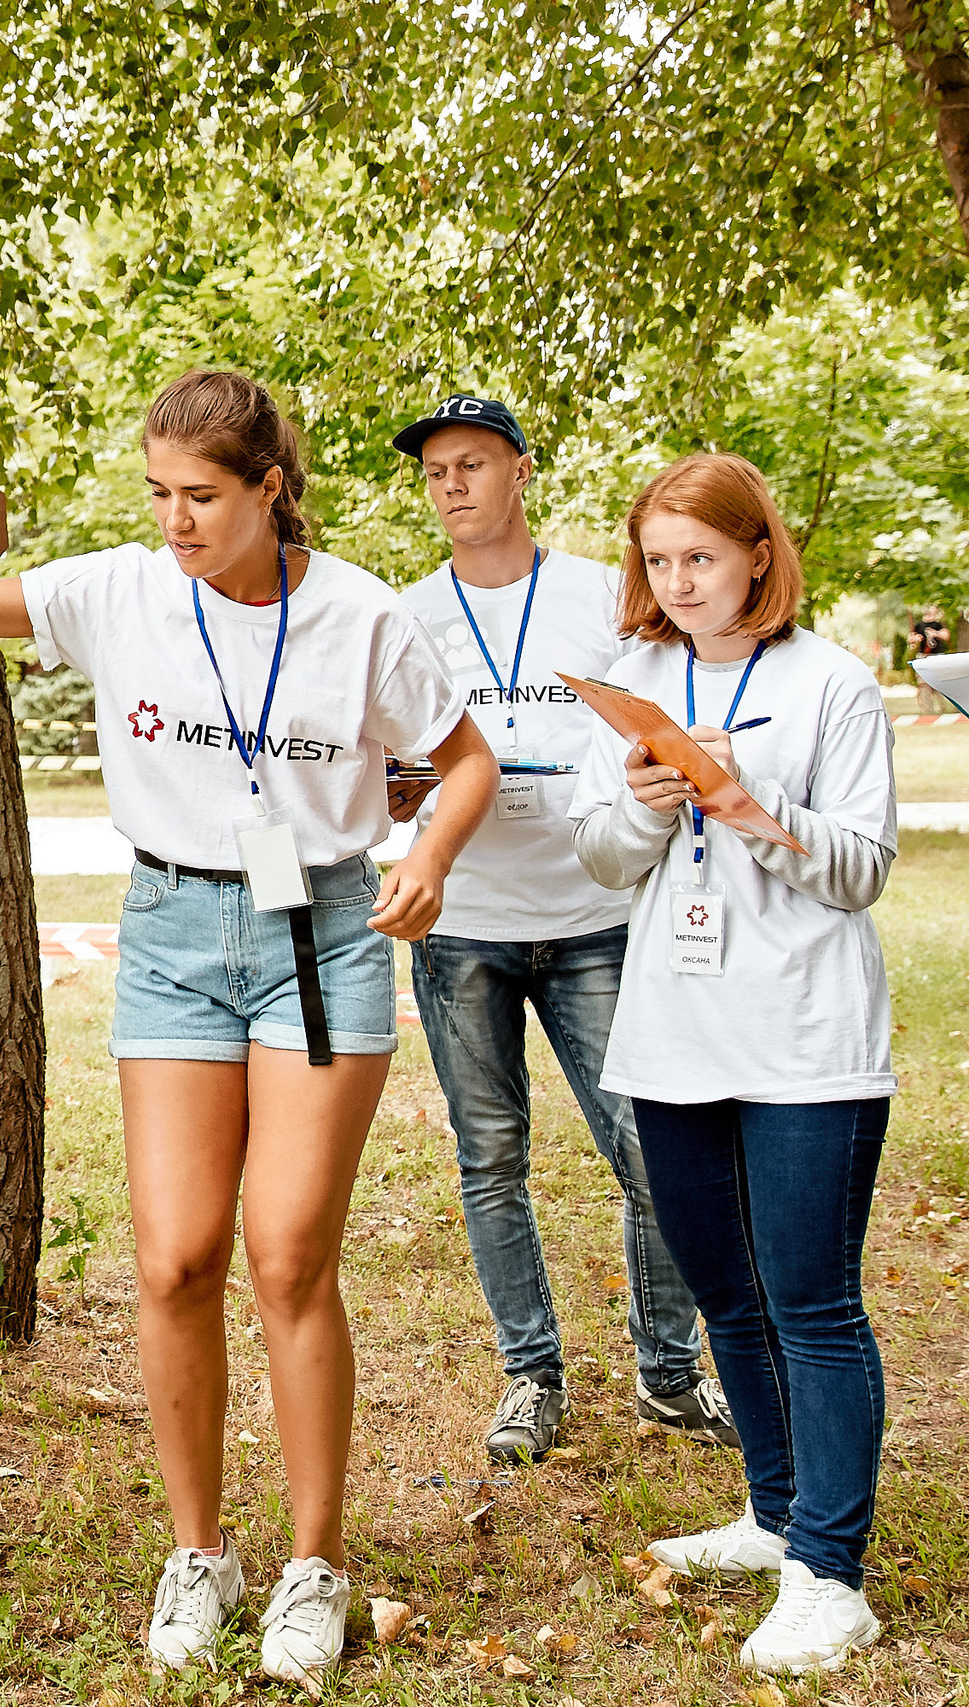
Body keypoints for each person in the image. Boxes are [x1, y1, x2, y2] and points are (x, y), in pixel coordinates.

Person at [0, 369, 498, 1685]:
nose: (176, 521)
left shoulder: (359, 616)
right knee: (177, 1257)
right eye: (158, 494)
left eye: (201, 496)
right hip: (178, 936)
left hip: (321, 933)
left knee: (290, 1250)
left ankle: (316, 1561)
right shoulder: (124, 590)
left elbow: (466, 758)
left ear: (268, 488)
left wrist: (431, 850)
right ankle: (200, 1551)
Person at [571, 452, 896, 1675]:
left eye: (699, 558)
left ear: (758, 551)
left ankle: (830, 1572)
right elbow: (603, 860)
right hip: (674, 1037)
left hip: (806, 1040)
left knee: (811, 1301)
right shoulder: (639, 678)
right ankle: (773, 1513)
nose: (678, 581)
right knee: (725, 1292)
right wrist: (653, 800)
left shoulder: (832, 685)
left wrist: (754, 807)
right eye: (657, 562)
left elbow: (861, 866)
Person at [388, 395, 727, 1462]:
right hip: (464, 922)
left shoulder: (600, 598)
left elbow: (658, 723)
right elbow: (384, 763)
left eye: (472, 463)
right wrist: (396, 794)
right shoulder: (404, 616)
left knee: (648, 1151)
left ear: (520, 472)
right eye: (436, 469)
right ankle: (530, 1376)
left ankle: (668, 1376)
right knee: (491, 1160)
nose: (451, 484)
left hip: (593, 916)